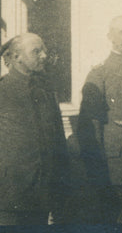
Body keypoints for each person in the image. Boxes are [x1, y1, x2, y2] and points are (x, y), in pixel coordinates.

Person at [77, 16, 122, 222]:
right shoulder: (99, 74)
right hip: (116, 166)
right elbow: (91, 126)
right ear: (110, 36)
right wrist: (98, 169)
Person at [0, 33, 69, 225]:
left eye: (44, 50)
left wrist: (60, 190)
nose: (44, 56)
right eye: (36, 51)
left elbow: (59, 143)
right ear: (16, 57)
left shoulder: (46, 93)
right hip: (9, 198)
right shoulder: (3, 92)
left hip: (42, 196)